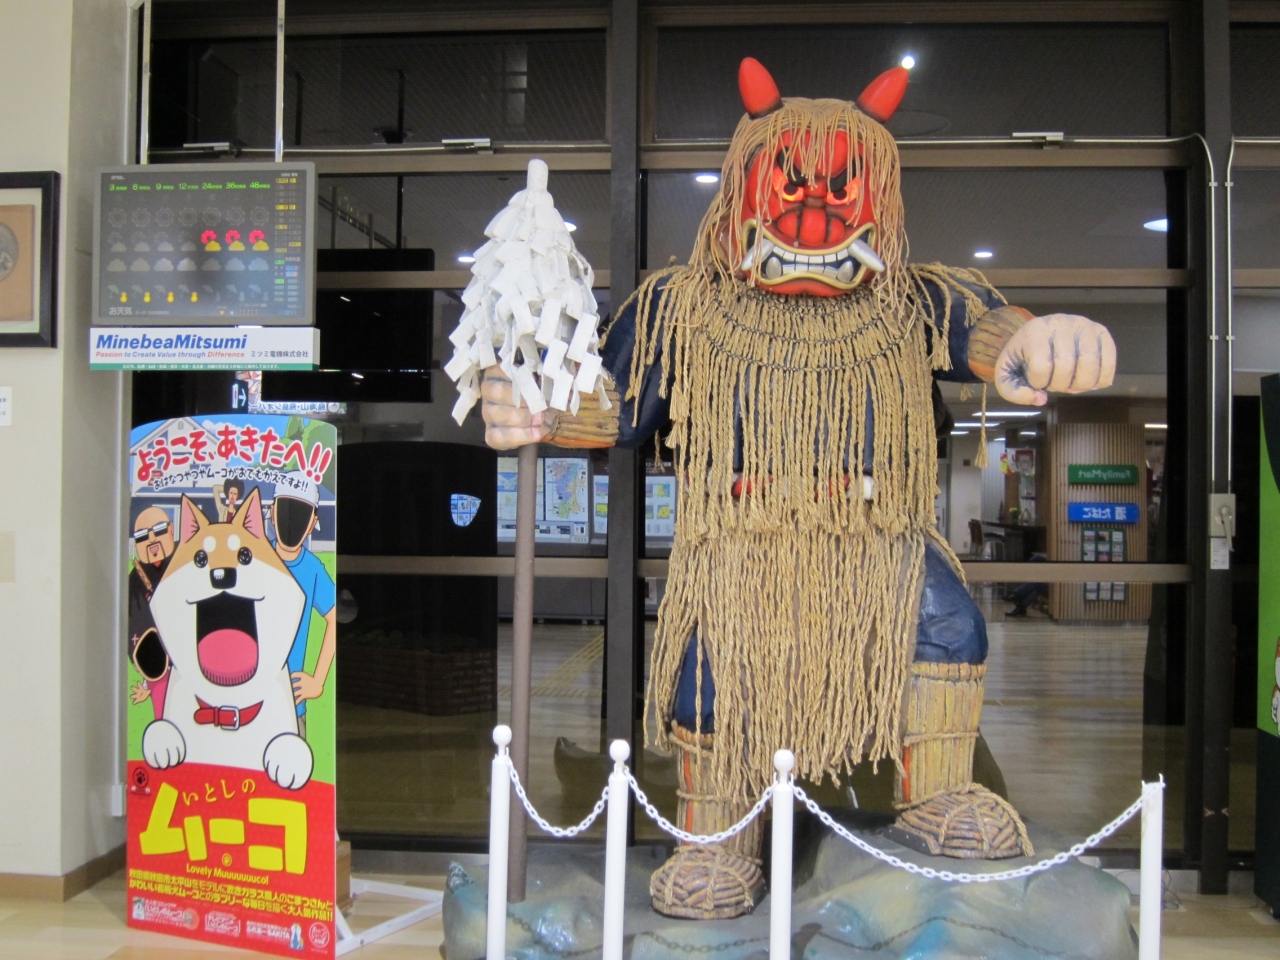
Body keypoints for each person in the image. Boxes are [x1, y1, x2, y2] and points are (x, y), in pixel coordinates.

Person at [478, 57, 1118, 918]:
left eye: (841, 189)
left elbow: (986, 329)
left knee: (947, 628)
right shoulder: (680, 307)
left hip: (878, 538)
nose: (814, 213)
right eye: (789, 185)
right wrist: (539, 407)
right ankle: (716, 836)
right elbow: (616, 405)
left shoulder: (913, 301)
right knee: (708, 679)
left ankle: (937, 794)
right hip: (739, 549)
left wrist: (1037, 339)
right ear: (742, 188)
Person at [269, 473, 336, 740]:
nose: (292, 522)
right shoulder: (254, 557)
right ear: (272, 513)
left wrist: (318, 681)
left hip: (290, 704)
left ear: (312, 522)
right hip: (248, 700)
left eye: (301, 514)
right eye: (286, 510)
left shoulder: (312, 569)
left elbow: (334, 617)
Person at [127, 505, 175, 717]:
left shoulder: (185, 562)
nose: (152, 540)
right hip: (160, 664)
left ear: (171, 529)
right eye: (143, 536)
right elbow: (135, 627)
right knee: (165, 716)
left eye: (159, 530)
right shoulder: (135, 581)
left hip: (194, 660)